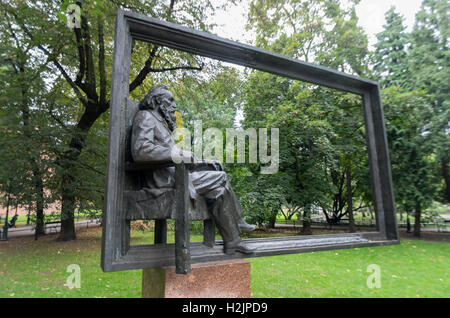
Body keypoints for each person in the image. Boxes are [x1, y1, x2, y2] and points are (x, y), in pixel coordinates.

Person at [131, 84, 256, 255]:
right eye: (171, 101)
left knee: (218, 190)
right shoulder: (145, 116)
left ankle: (233, 242)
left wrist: (204, 161)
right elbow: (140, 150)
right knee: (221, 177)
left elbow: (171, 154)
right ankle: (237, 222)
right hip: (163, 180)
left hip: (176, 176)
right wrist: (178, 153)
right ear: (159, 100)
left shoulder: (159, 122)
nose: (174, 106)